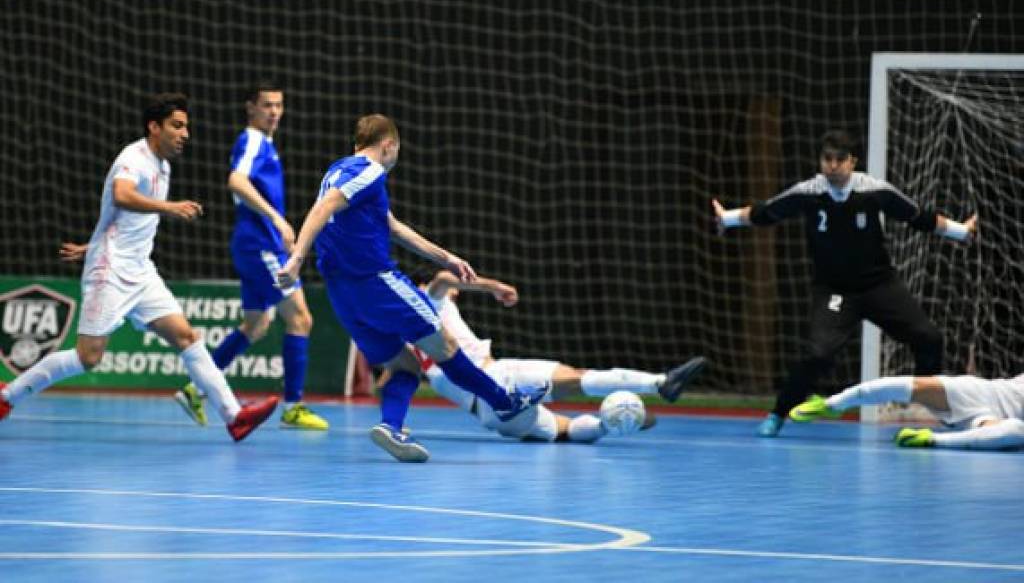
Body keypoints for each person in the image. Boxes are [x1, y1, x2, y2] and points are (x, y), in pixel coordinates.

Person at [0, 93, 278, 441]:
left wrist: (91, 244)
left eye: (186, 127)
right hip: (111, 271)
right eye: (177, 126)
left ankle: (234, 417)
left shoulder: (164, 166)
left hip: (141, 271)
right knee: (88, 357)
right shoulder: (133, 157)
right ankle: (7, 398)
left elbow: (121, 218)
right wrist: (169, 207)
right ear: (154, 127)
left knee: (186, 336)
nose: (185, 134)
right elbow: (121, 195)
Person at [276, 114, 548, 462]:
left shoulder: (338, 171)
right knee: (445, 345)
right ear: (389, 145)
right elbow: (323, 208)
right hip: (377, 284)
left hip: (343, 296)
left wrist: (446, 258)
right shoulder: (371, 171)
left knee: (404, 365)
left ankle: (391, 426)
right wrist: (297, 258)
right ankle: (505, 402)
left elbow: (393, 227)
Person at [712, 130, 977, 437]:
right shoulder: (809, 191)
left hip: (879, 286)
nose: (833, 166)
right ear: (820, 161)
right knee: (818, 355)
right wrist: (728, 219)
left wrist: (961, 232)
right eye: (828, 159)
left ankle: (931, 409)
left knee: (929, 338)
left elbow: (920, 217)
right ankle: (778, 414)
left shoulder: (874, 190)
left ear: (853, 162)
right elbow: (765, 212)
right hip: (834, 291)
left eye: (840, 159)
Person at [385, 268, 708, 443]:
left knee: (564, 430)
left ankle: (615, 422)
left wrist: (395, 421)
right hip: (498, 379)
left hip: (489, 417)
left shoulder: (409, 340)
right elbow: (444, 279)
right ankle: (659, 383)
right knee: (577, 379)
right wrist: (493, 286)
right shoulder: (430, 302)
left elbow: (393, 378)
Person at [172, 81, 327, 431]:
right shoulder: (253, 141)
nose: (274, 112)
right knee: (300, 318)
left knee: (256, 325)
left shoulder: (265, 144)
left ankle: (195, 389)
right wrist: (277, 219)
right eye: (267, 105)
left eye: (279, 105)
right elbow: (236, 181)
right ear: (251, 108)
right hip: (260, 245)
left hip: (254, 244)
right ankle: (294, 406)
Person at [789, 373, 1024, 451]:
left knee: (1015, 431)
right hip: (987, 392)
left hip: (994, 421)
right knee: (914, 386)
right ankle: (832, 405)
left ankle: (930, 439)